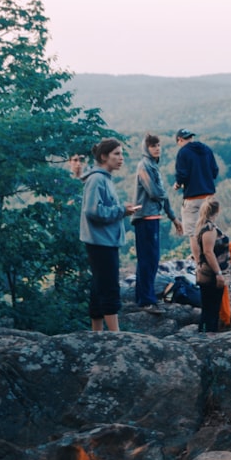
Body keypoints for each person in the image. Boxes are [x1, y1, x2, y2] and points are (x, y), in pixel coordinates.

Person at [80, 138, 139, 331]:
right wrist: (121, 210)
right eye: (116, 154)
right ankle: (115, 336)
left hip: (103, 240)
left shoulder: (103, 178)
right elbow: (93, 210)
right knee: (109, 288)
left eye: (121, 154)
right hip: (101, 242)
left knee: (98, 288)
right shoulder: (97, 179)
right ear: (104, 156)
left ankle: (97, 334)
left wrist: (122, 210)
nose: (121, 158)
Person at [132, 133, 183, 312]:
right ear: (146, 148)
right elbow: (155, 192)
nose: (157, 148)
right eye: (153, 146)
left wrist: (173, 217)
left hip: (153, 217)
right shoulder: (144, 166)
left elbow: (161, 195)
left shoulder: (153, 166)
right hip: (145, 217)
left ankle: (143, 297)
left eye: (158, 145)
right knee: (148, 260)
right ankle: (147, 300)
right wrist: (165, 193)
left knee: (150, 259)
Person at [173, 128, 219, 263]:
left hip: (192, 198)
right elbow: (214, 172)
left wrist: (178, 184)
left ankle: (199, 266)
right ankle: (213, 263)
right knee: (210, 231)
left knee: (193, 233)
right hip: (210, 197)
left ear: (179, 140)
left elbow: (182, 175)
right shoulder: (206, 149)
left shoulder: (183, 152)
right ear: (191, 137)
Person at [194, 197, 231, 333]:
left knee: (208, 309)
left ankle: (204, 333)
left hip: (209, 274)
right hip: (211, 275)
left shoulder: (203, 227)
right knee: (212, 309)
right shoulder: (210, 229)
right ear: (217, 210)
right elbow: (208, 252)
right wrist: (219, 274)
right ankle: (209, 335)